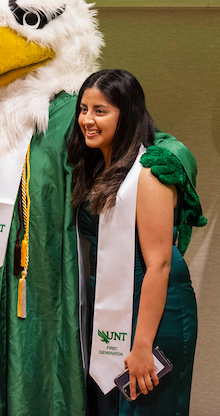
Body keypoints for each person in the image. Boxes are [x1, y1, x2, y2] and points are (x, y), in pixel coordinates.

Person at [67, 69, 205, 415]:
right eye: (84, 109)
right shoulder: (98, 167)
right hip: (112, 300)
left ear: (126, 114)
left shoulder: (149, 173)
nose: (87, 120)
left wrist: (143, 344)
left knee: (146, 406)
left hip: (154, 306)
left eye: (101, 110)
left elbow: (158, 262)